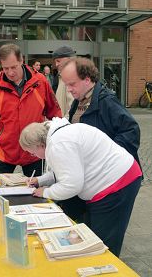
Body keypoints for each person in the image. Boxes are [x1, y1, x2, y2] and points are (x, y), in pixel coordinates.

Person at [19, 117, 142, 257]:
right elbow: (65, 171)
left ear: (40, 145)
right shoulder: (58, 136)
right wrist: (40, 180)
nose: (33, 156)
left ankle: (106, 268)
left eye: (32, 152)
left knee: (104, 242)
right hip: (113, 180)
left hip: (117, 183)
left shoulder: (59, 144)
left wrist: (45, 192)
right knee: (93, 236)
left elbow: (71, 185)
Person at [57, 57, 142, 222]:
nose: (68, 89)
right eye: (66, 84)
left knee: (104, 235)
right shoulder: (79, 101)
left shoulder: (107, 101)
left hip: (111, 182)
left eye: (72, 84)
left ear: (87, 80)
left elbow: (131, 131)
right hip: (90, 180)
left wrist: (106, 159)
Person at [0, 43, 62, 177]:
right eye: (6, 68)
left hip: (35, 151)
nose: (10, 72)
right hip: (5, 153)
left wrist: (54, 144)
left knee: (36, 194)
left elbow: (55, 115)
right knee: (1, 194)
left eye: (14, 67)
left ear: (21, 60)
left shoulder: (40, 82)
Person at [52, 46, 75, 117]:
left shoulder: (72, 76)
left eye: (58, 61)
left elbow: (73, 107)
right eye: (55, 62)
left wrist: (64, 124)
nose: (56, 64)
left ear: (68, 60)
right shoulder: (61, 76)